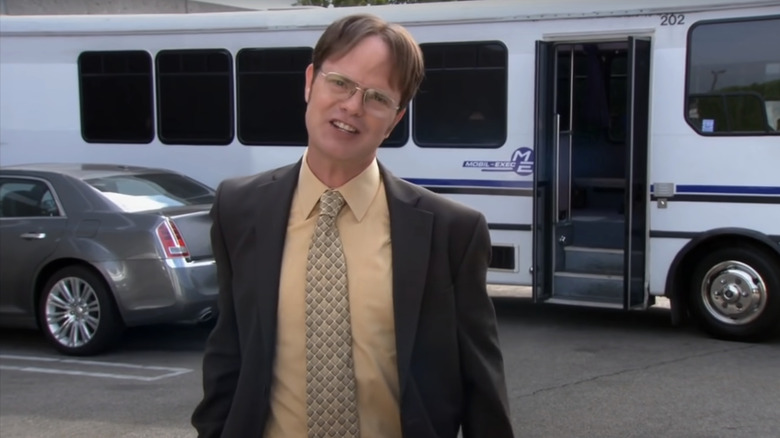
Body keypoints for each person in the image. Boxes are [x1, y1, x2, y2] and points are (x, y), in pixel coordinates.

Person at [191, 13, 514, 438]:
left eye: (377, 97)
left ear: (395, 119)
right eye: (340, 83)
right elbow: (228, 354)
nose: (352, 106)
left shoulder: (451, 232)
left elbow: (483, 394)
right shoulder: (239, 208)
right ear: (310, 81)